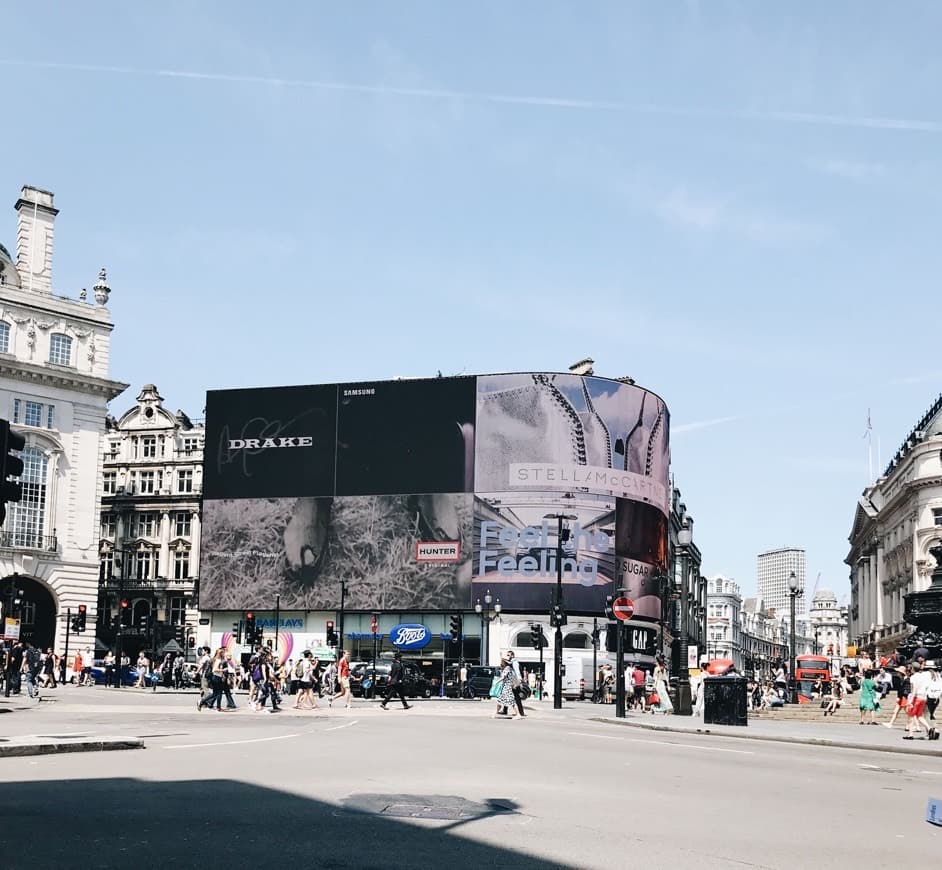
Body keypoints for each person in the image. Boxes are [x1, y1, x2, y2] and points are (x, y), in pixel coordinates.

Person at [506, 651, 525, 718]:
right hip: (513, 681)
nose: (507, 656)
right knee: (508, 695)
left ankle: (521, 712)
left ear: (512, 655)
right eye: (507, 655)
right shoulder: (511, 663)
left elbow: (517, 672)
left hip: (515, 681)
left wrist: (519, 682)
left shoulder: (515, 663)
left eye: (508, 655)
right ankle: (505, 710)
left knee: (516, 697)